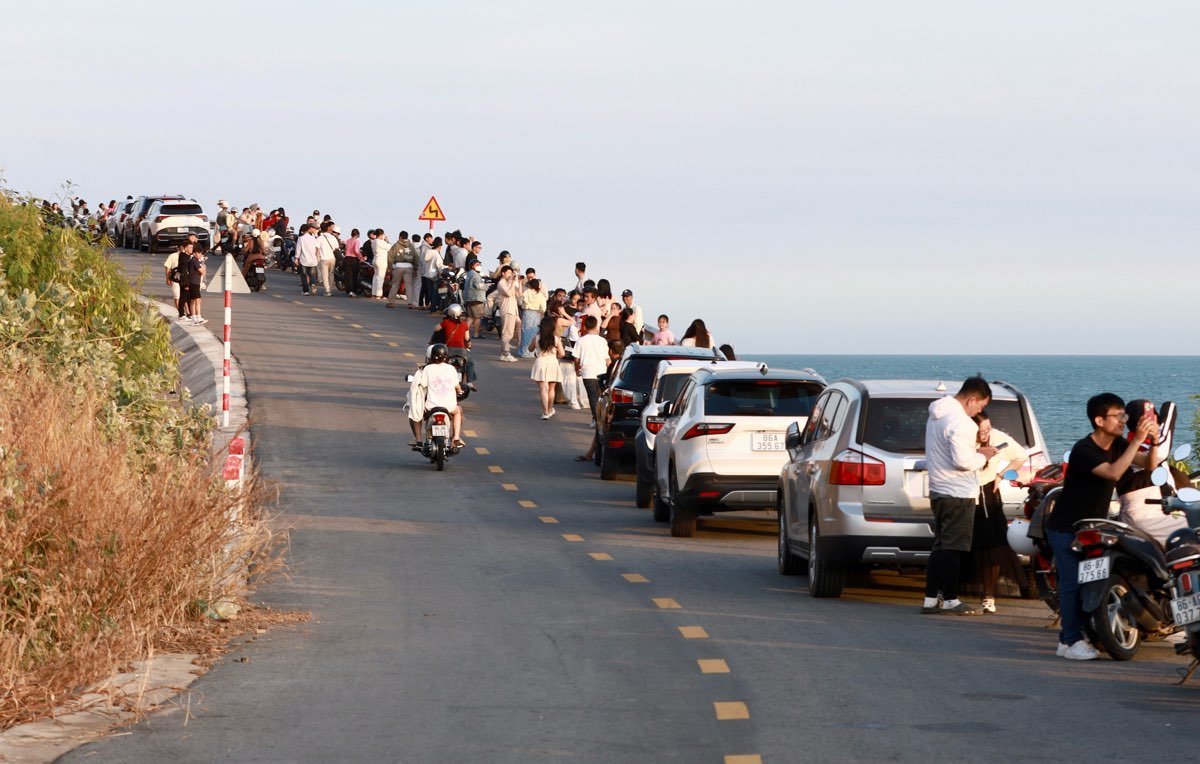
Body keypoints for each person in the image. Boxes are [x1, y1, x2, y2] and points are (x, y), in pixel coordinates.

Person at [1045, 393, 1158, 660]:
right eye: (1117, 416)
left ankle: (1070, 639)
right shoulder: (1084, 450)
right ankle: (1071, 641)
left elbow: (1149, 466)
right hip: (1065, 527)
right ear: (1099, 420)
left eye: (1124, 416)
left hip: (1092, 526)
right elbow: (1113, 473)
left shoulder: (1119, 443)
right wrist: (1137, 440)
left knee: (1091, 582)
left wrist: (1153, 441)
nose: (1123, 421)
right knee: (1072, 584)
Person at [920, 376, 997, 616]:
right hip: (958, 492)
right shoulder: (963, 423)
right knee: (954, 548)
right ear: (972, 399)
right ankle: (951, 598)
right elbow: (963, 462)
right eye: (981, 406)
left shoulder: (937, 415)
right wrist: (984, 455)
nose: (979, 411)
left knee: (940, 546)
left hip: (939, 489)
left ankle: (931, 598)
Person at [969, 411, 1027, 614]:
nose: (986, 433)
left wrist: (1001, 475)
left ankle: (988, 595)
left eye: (988, 428)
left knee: (991, 546)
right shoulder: (963, 439)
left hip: (986, 492)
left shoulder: (999, 437)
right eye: (981, 430)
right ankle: (945, 592)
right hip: (963, 492)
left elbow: (1021, 455)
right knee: (957, 542)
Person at [1117, 400, 1186, 544]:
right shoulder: (1155, 449)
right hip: (1158, 517)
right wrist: (1159, 422)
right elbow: (1171, 408)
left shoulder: (1122, 447)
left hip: (1130, 521)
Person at [408, 344, 466, 449]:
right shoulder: (451, 368)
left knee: (416, 411)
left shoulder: (427, 369)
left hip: (431, 406)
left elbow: (423, 384)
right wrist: (459, 390)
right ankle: (456, 438)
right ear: (446, 356)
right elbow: (457, 385)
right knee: (458, 411)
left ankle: (418, 440)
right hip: (449, 406)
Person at [435, 303, 477, 391]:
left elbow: (436, 329)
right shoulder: (464, 324)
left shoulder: (446, 322)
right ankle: (469, 382)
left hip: (449, 351)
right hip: (461, 351)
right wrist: (469, 344)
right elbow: (467, 338)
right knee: (470, 363)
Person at [529, 315, 565, 419]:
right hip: (552, 362)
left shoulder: (537, 338)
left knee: (543, 389)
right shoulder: (556, 339)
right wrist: (556, 356)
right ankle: (550, 409)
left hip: (540, 362)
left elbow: (530, 349)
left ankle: (545, 413)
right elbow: (562, 354)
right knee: (551, 389)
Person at [495, 265, 521, 362]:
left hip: (513, 310)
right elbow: (509, 293)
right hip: (507, 310)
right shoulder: (501, 283)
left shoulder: (509, 282)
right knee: (507, 333)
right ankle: (506, 353)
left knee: (509, 332)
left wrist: (518, 281)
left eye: (511, 273)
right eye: (509, 273)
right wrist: (512, 281)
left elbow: (519, 295)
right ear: (503, 273)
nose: (511, 275)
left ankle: (504, 354)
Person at [517, 278, 546, 358]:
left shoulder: (526, 292)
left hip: (526, 313)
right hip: (536, 314)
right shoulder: (540, 295)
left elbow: (520, 302)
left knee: (525, 332)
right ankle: (533, 352)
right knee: (534, 332)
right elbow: (543, 308)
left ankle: (524, 352)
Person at [183, 241, 208, 324]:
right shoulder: (195, 261)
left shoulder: (192, 261)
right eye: (198, 253)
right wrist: (202, 264)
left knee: (194, 300)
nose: (200, 255)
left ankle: (194, 317)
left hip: (193, 283)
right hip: (194, 283)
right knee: (197, 300)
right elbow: (202, 271)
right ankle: (197, 316)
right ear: (194, 253)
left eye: (200, 253)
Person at [385, 231, 412, 307]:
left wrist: (390, 266)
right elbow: (416, 257)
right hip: (409, 268)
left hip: (398, 267)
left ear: (400, 237)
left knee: (395, 285)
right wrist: (415, 267)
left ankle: (391, 302)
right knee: (409, 286)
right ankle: (410, 303)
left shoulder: (396, 245)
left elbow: (390, 256)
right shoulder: (411, 246)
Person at [162, 244, 188, 320]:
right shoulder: (173, 256)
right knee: (177, 295)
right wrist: (167, 278)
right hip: (176, 278)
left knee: (185, 296)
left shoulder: (188, 256)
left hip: (185, 278)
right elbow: (167, 267)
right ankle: (181, 313)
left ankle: (188, 313)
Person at [463, 259, 487, 335]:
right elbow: (478, 285)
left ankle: (462, 333)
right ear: (472, 266)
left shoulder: (469, 274)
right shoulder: (475, 275)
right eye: (477, 265)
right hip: (476, 299)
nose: (479, 266)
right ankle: (476, 334)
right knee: (477, 317)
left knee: (470, 317)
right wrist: (486, 286)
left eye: (480, 265)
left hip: (469, 299)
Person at [295, 223, 320, 295]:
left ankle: (306, 291)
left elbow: (298, 249)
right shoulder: (314, 238)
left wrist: (296, 258)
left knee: (304, 276)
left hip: (304, 260)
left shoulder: (301, 238)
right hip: (313, 260)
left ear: (302, 231)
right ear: (309, 229)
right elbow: (317, 249)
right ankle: (313, 284)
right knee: (312, 275)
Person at [317, 224, 340, 297]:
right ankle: (330, 289)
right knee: (331, 274)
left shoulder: (320, 238)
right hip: (332, 258)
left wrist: (317, 258)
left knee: (325, 275)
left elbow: (317, 249)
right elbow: (337, 248)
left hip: (324, 259)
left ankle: (327, 291)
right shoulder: (333, 237)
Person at [343, 229, 363, 297]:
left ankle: (349, 291)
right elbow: (356, 250)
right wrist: (361, 257)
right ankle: (353, 291)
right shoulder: (357, 241)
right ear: (357, 234)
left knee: (349, 276)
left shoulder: (348, 241)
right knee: (354, 276)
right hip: (353, 259)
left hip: (346, 259)